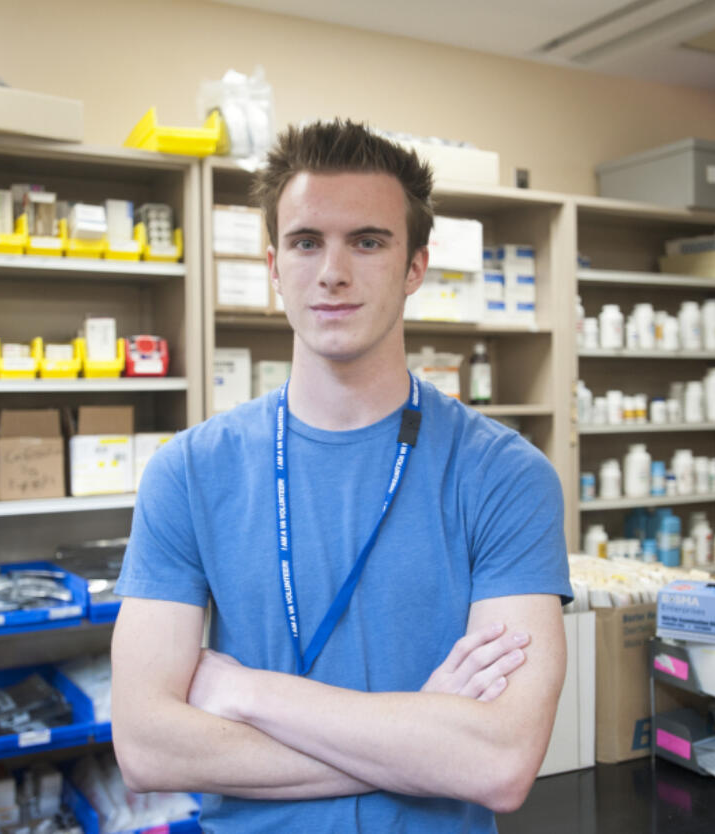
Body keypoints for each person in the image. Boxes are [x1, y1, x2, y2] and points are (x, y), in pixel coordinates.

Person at [111, 119, 572, 832]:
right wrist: (425, 734)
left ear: (416, 265)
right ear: (273, 266)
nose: (332, 270)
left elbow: (501, 764)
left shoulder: (505, 477)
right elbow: (145, 746)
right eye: (305, 241)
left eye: (367, 240)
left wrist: (250, 693)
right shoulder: (189, 474)